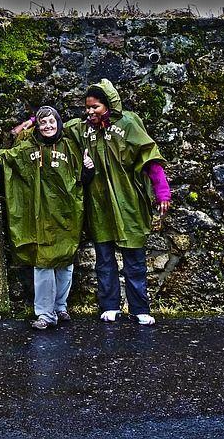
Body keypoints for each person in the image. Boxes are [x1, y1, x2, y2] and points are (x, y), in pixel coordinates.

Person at [65, 79, 171, 326]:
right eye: (87, 107)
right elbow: (55, 126)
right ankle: (110, 305)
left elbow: (149, 157)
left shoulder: (128, 123)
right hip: (99, 202)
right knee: (104, 258)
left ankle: (139, 308)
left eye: (95, 107)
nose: (90, 112)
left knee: (134, 257)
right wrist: (31, 122)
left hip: (128, 200)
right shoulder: (83, 129)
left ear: (108, 106)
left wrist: (162, 191)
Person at [0, 106, 95, 330]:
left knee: (65, 260)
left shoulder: (70, 145)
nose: (47, 126)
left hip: (66, 214)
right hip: (39, 216)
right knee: (43, 262)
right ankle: (45, 313)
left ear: (58, 123)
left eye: (51, 122)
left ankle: (60, 306)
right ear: (37, 125)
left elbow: (83, 178)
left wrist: (88, 168)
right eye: (43, 122)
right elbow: (7, 156)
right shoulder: (28, 147)